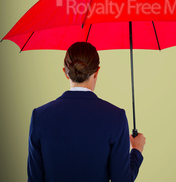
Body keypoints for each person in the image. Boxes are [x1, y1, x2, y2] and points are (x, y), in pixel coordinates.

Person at [27, 42, 146, 182]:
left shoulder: (39, 116)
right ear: (97, 72)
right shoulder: (116, 117)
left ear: (65, 73)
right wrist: (136, 152)